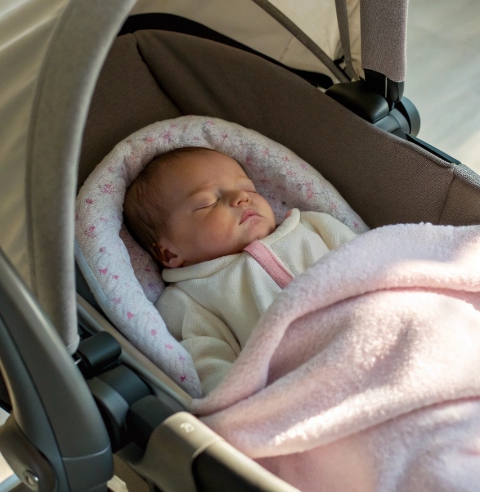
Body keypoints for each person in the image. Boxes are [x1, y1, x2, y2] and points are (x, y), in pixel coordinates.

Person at [123, 147, 357, 394]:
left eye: (249, 189)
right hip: (307, 384)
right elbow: (210, 367)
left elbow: (378, 256)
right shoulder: (188, 301)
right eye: (208, 202)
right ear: (169, 253)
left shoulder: (312, 226)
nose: (240, 197)